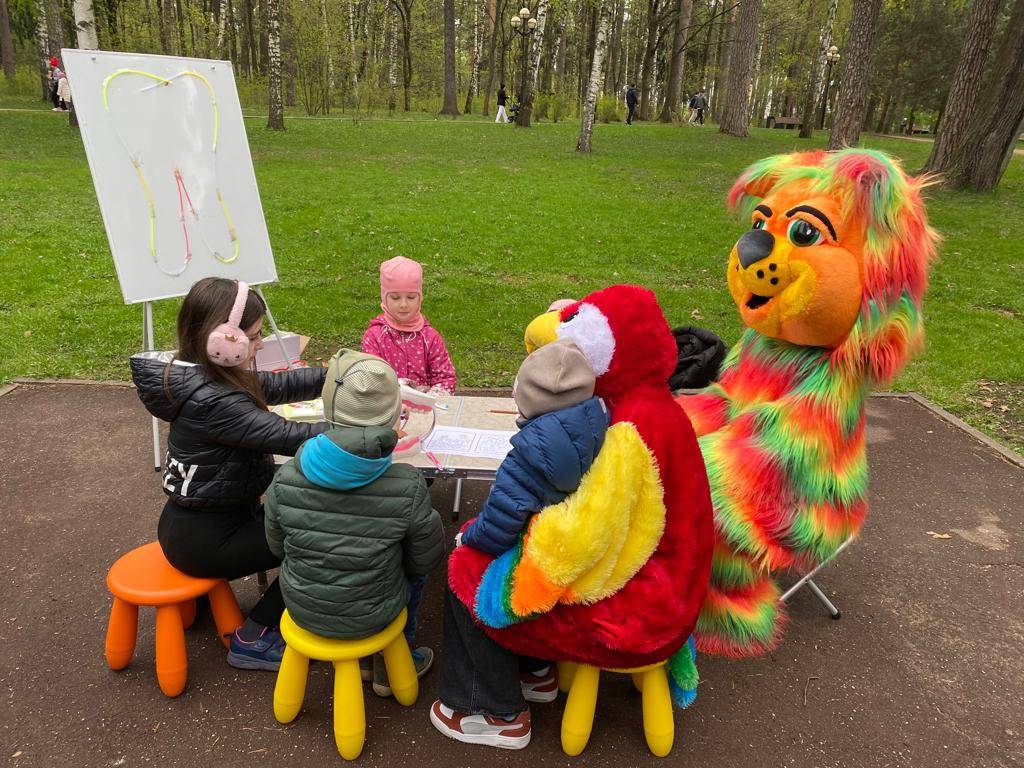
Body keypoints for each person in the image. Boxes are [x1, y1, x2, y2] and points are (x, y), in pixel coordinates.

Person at [130, 277, 331, 671]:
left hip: (196, 526)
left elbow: (274, 385)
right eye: (254, 337)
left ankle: (218, 611)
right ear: (221, 339)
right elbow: (292, 437)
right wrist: (372, 428)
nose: (260, 345)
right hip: (208, 541)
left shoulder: (206, 378)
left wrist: (336, 373)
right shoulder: (214, 401)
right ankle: (255, 637)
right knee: (321, 543)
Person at [431, 338, 610, 749]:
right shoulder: (598, 423)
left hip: (540, 565)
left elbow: (496, 528)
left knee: (464, 575)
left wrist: (466, 537)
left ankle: (495, 708)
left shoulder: (528, 455)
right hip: (574, 555)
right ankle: (534, 668)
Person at [264, 348, 445, 696]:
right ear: (395, 417)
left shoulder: (287, 475)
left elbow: (276, 546)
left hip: (304, 607)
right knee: (414, 576)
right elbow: (424, 560)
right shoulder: (406, 484)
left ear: (329, 409)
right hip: (376, 613)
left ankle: (367, 660)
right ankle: (390, 666)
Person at [361, 256, 457, 394]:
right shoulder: (375, 336)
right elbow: (370, 378)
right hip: (388, 408)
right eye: (395, 297)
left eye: (411, 297)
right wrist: (398, 392)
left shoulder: (430, 337)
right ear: (384, 297)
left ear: (420, 297)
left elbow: (446, 379)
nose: (404, 304)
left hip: (426, 410)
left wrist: (427, 400)